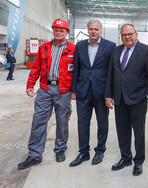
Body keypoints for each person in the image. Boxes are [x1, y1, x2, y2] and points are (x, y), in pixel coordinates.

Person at [18, 18, 76, 170]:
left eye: (61, 30)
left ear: (67, 32)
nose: (58, 33)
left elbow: (78, 72)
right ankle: (34, 154)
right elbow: (36, 68)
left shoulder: (73, 49)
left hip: (63, 91)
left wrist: (74, 91)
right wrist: (30, 84)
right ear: (53, 31)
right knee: (39, 121)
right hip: (44, 89)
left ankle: (60, 149)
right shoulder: (44, 48)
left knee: (62, 121)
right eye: (56, 30)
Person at [105, 23, 148, 176]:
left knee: (138, 132)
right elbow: (111, 74)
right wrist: (109, 95)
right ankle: (126, 158)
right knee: (122, 131)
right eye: (124, 34)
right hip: (119, 99)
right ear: (121, 36)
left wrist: (145, 92)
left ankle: (139, 161)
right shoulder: (116, 51)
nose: (127, 37)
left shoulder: (145, 51)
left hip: (137, 99)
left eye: (130, 34)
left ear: (136, 34)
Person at [69, 20, 116, 167]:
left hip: (102, 92)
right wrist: (73, 90)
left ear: (101, 30)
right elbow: (76, 68)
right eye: (91, 29)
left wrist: (110, 94)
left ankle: (100, 150)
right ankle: (83, 152)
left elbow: (111, 72)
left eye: (96, 29)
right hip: (83, 91)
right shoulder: (80, 45)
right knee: (82, 123)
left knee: (102, 123)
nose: (93, 31)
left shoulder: (110, 46)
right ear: (87, 30)